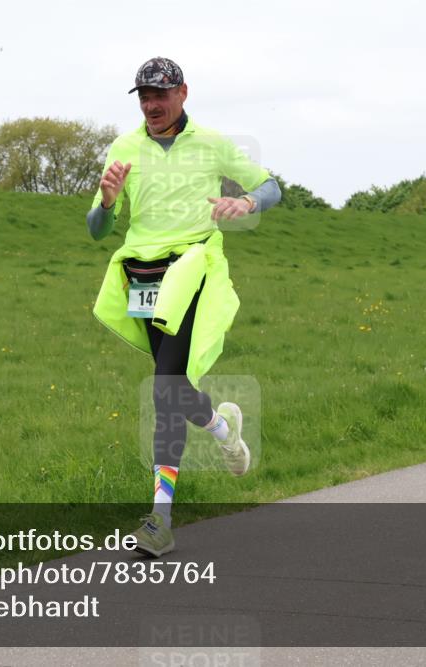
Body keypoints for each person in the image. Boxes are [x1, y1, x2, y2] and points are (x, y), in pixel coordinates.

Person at [87, 57, 281, 557]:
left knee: (164, 387)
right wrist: (106, 203)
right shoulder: (124, 148)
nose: (151, 104)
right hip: (142, 275)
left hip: (190, 267)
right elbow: (96, 230)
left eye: (160, 95)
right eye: (143, 96)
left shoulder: (213, 144)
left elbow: (271, 185)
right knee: (173, 386)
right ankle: (223, 428)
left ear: (182, 93)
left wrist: (248, 203)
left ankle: (160, 520)